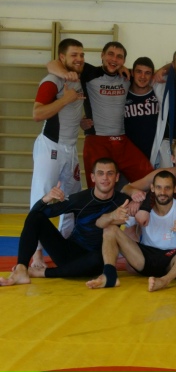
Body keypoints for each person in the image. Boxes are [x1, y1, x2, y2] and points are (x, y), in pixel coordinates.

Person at [0, 158, 131, 286]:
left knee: (99, 259)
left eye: (110, 173)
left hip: (97, 259)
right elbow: (34, 216)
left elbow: (142, 203)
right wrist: (46, 199)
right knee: (36, 217)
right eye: (100, 173)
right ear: (93, 177)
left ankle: (42, 273)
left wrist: (135, 194)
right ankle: (21, 269)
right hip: (69, 253)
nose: (105, 178)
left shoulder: (123, 201)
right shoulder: (80, 199)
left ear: (117, 177)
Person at [86, 170, 176, 292]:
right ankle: (109, 275)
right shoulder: (141, 209)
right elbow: (100, 223)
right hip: (144, 258)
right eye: (158, 187)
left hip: (173, 261)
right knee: (110, 228)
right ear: (152, 188)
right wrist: (113, 216)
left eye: (167, 188)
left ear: (175, 188)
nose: (162, 192)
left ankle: (165, 281)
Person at [47, 41, 154, 187]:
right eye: (110, 54)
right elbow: (52, 64)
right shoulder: (89, 72)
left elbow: (153, 74)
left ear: (124, 61)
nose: (114, 59)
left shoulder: (128, 76)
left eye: (119, 57)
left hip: (122, 140)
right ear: (102, 55)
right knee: (98, 187)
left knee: (151, 178)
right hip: (97, 141)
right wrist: (66, 74)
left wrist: (123, 68)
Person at [29, 38, 85, 267]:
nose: (79, 59)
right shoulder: (52, 81)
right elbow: (37, 114)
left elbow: (69, 113)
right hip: (50, 147)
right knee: (42, 197)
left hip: (70, 148)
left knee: (72, 200)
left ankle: (65, 248)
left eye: (81, 54)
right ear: (62, 57)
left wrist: (82, 122)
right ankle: (36, 254)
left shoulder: (78, 77)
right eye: (74, 55)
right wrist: (64, 100)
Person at [124, 57, 160, 161]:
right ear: (132, 73)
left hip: (155, 153)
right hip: (129, 154)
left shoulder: (159, 94)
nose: (143, 76)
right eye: (139, 72)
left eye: (147, 73)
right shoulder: (122, 94)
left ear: (152, 75)